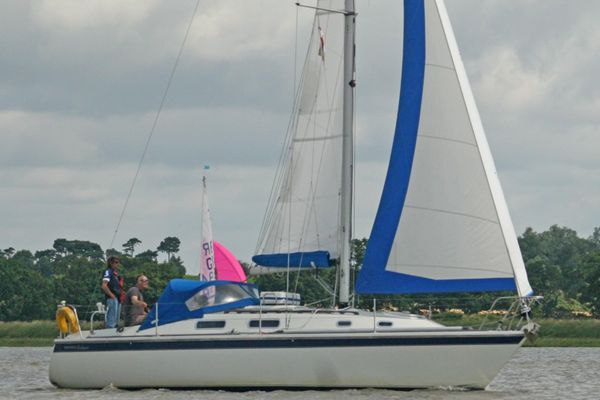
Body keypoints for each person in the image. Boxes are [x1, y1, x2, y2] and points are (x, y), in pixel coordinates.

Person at [101, 256, 124, 328]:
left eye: (118, 262)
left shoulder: (116, 274)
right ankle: (109, 333)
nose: (118, 264)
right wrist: (112, 295)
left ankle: (114, 332)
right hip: (112, 298)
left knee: (116, 321)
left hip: (117, 298)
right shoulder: (108, 271)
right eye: (116, 262)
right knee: (112, 320)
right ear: (111, 263)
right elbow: (104, 286)